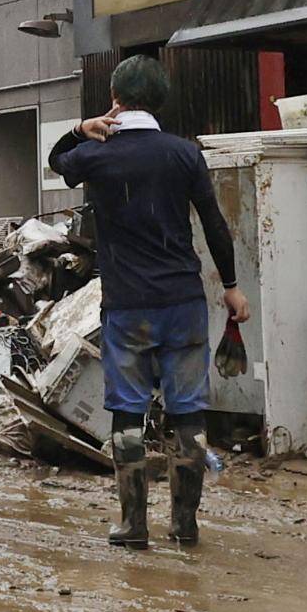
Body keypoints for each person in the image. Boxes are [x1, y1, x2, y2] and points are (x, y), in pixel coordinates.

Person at [49, 56, 248, 550]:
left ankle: (133, 524)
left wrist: (80, 128)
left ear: (114, 99)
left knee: (127, 412)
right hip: (183, 300)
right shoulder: (183, 154)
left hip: (127, 305)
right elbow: (214, 224)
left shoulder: (95, 156)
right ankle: (185, 523)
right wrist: (230, 284)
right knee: (188, 412)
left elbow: (56, 161)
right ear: (161, 101)